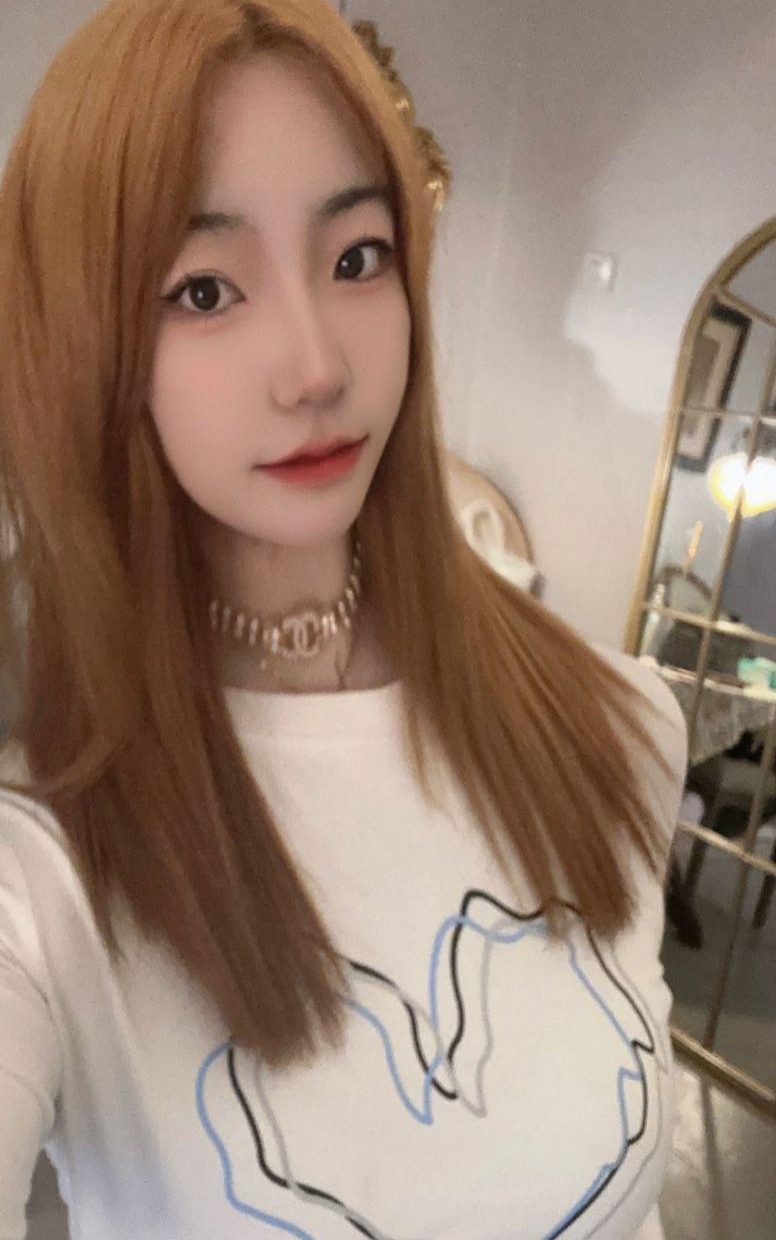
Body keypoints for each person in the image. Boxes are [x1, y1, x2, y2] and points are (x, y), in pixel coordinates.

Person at [0, 1, 688, 1237]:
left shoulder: (618, 724)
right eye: (203, 288)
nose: (316, 365)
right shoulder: (40, 858)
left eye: (357, 258)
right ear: (85, 344)